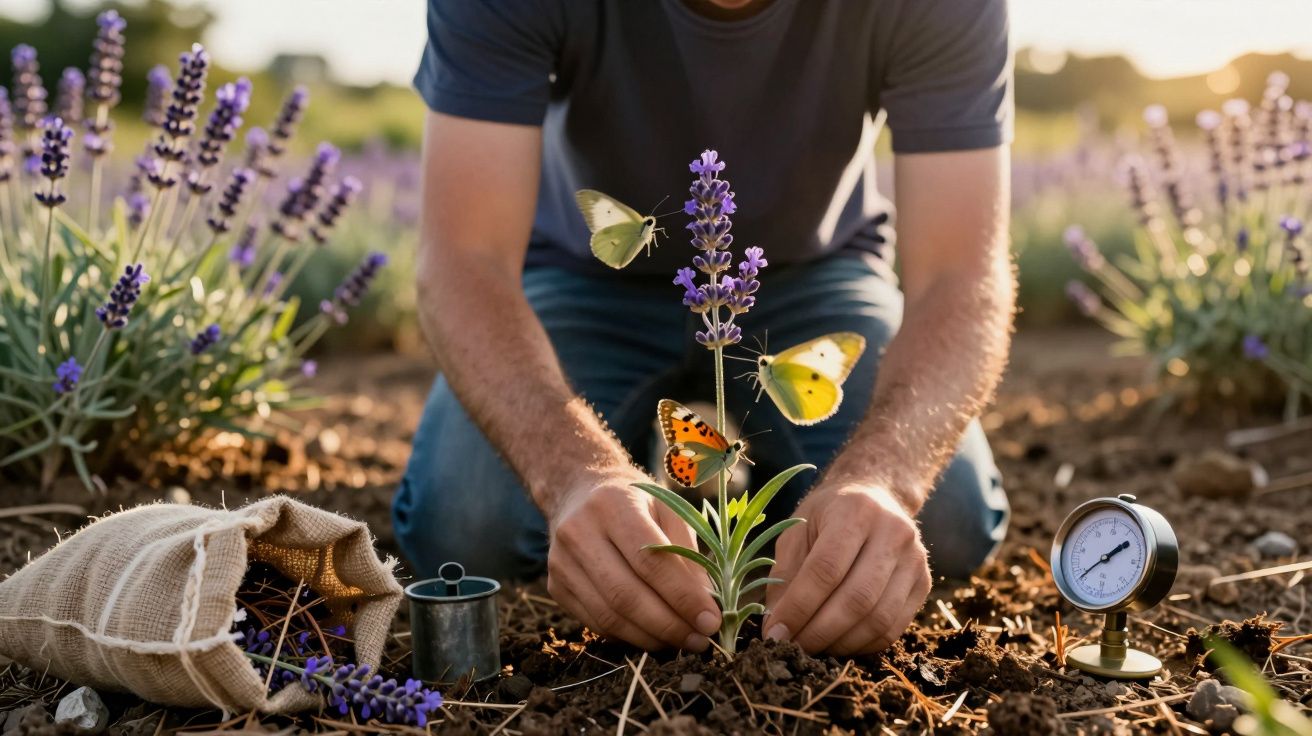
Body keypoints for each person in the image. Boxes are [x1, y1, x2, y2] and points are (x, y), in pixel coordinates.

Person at [393, 0, 1014, 656]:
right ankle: (655, 498)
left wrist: (883, 479)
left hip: (814, 276)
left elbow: (961, 274)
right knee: (467, 523)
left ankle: (754, 519)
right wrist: (571, 473)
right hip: (585, 278)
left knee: (942, 522)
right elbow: (464, 259)